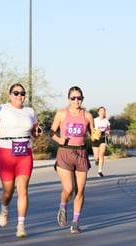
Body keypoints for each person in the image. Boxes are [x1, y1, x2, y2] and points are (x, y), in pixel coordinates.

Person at [0, 83, 44, 238]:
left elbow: (34, 131)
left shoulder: (30, 111)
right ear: (10, 95)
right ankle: (4, 208)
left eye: (22, 93)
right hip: (6, 153)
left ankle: (21, 225)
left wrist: (38, 132)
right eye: (16, 93)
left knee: (22, 190)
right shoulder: (2, 108)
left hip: (25, 154)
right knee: (8, 192)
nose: (19, 96)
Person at [50, 86, 95, 234]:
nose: (76, 100)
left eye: (79, 98)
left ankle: (75, 222)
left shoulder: (87, 116)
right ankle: (63, 206)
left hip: (81, 153)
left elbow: (93, 136)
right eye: (73, 98)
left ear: (82, 99)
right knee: (68, 189)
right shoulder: (61, 114)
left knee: (80, 190)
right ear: (68, 99)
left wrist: (99, 135)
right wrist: (58, 139)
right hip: (65, 153)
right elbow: (52, 132)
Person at [92, 106, 111, 177]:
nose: (102, 112)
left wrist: (108, 132)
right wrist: (94, 133)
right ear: (98, 112)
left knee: (102, 153)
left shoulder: (106, 121)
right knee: (96, 156)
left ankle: (100, 171)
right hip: (96, 137)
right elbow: (91, 129)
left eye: (103, 111)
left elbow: (109, 129)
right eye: (101, 111)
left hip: (103, 137)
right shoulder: (94, 120)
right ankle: (96, 160)